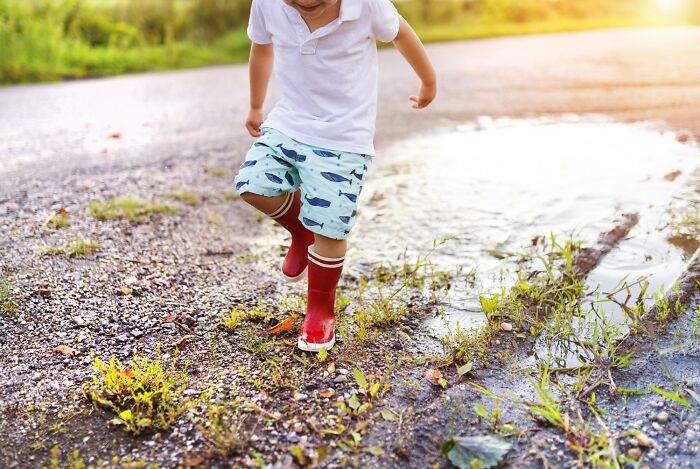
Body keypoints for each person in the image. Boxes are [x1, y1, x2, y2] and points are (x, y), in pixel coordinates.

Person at [234, 0, 436, 352]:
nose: (307, 3)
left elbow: (401, 33)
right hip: (290, 121)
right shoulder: (267, 3)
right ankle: (300, 231)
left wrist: (428, 81)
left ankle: (320, 310)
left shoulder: (368, 5)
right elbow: (262, 48)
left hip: (344, 136)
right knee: (254, 184)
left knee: (328, 226)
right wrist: (255, 104)